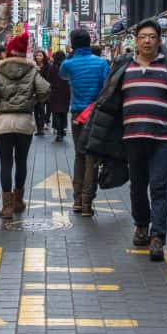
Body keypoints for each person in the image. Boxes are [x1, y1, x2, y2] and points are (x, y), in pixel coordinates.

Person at [86, 19, 167, 261]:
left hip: (163, 137)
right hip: (131, 137)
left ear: (159, 40)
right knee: (138, 186)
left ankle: (158, 236)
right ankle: (142, 224)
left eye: (152, 36)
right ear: (136, 41)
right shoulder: (124, 66)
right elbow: (109, 99)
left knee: (159, 186)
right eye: (143, 37)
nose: (148, 40)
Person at [0, 31, 49, 219]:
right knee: (21, 162)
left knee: (6, 163)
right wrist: (33, 100)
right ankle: (18, 201)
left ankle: (7, 207)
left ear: (9, 52)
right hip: (24, 122)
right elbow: (45, 90)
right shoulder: (31, 70)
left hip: (3, 123)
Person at [59, 28, 109, 215]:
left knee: (79, 156)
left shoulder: (68, 64)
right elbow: (106, 88)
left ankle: (77, 200)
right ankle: (87, 202)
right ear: (90, 42)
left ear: (72, 44)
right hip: (95, 115)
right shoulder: (102, 63)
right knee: (92, 158)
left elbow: (62, 75)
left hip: (77, 116)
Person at [46, 50, 71, 143]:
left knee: (56, 113)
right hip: (65, 92)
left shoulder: (52, 68)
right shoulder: (67, 67)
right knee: (64, 112)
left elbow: (48, 80)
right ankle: (63, 129)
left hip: (55, 93)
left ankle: (59, 132)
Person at [33, 49, 52, 136]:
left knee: (41, 108)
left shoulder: (47, 66)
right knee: (36, 109)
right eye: (37, 55)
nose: (38, 57)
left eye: (40, 55)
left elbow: (48, 78)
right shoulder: (33, 66)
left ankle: (42, 125)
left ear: (44, 56)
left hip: (44, 90)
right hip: (35, 91)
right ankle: (39, 129)